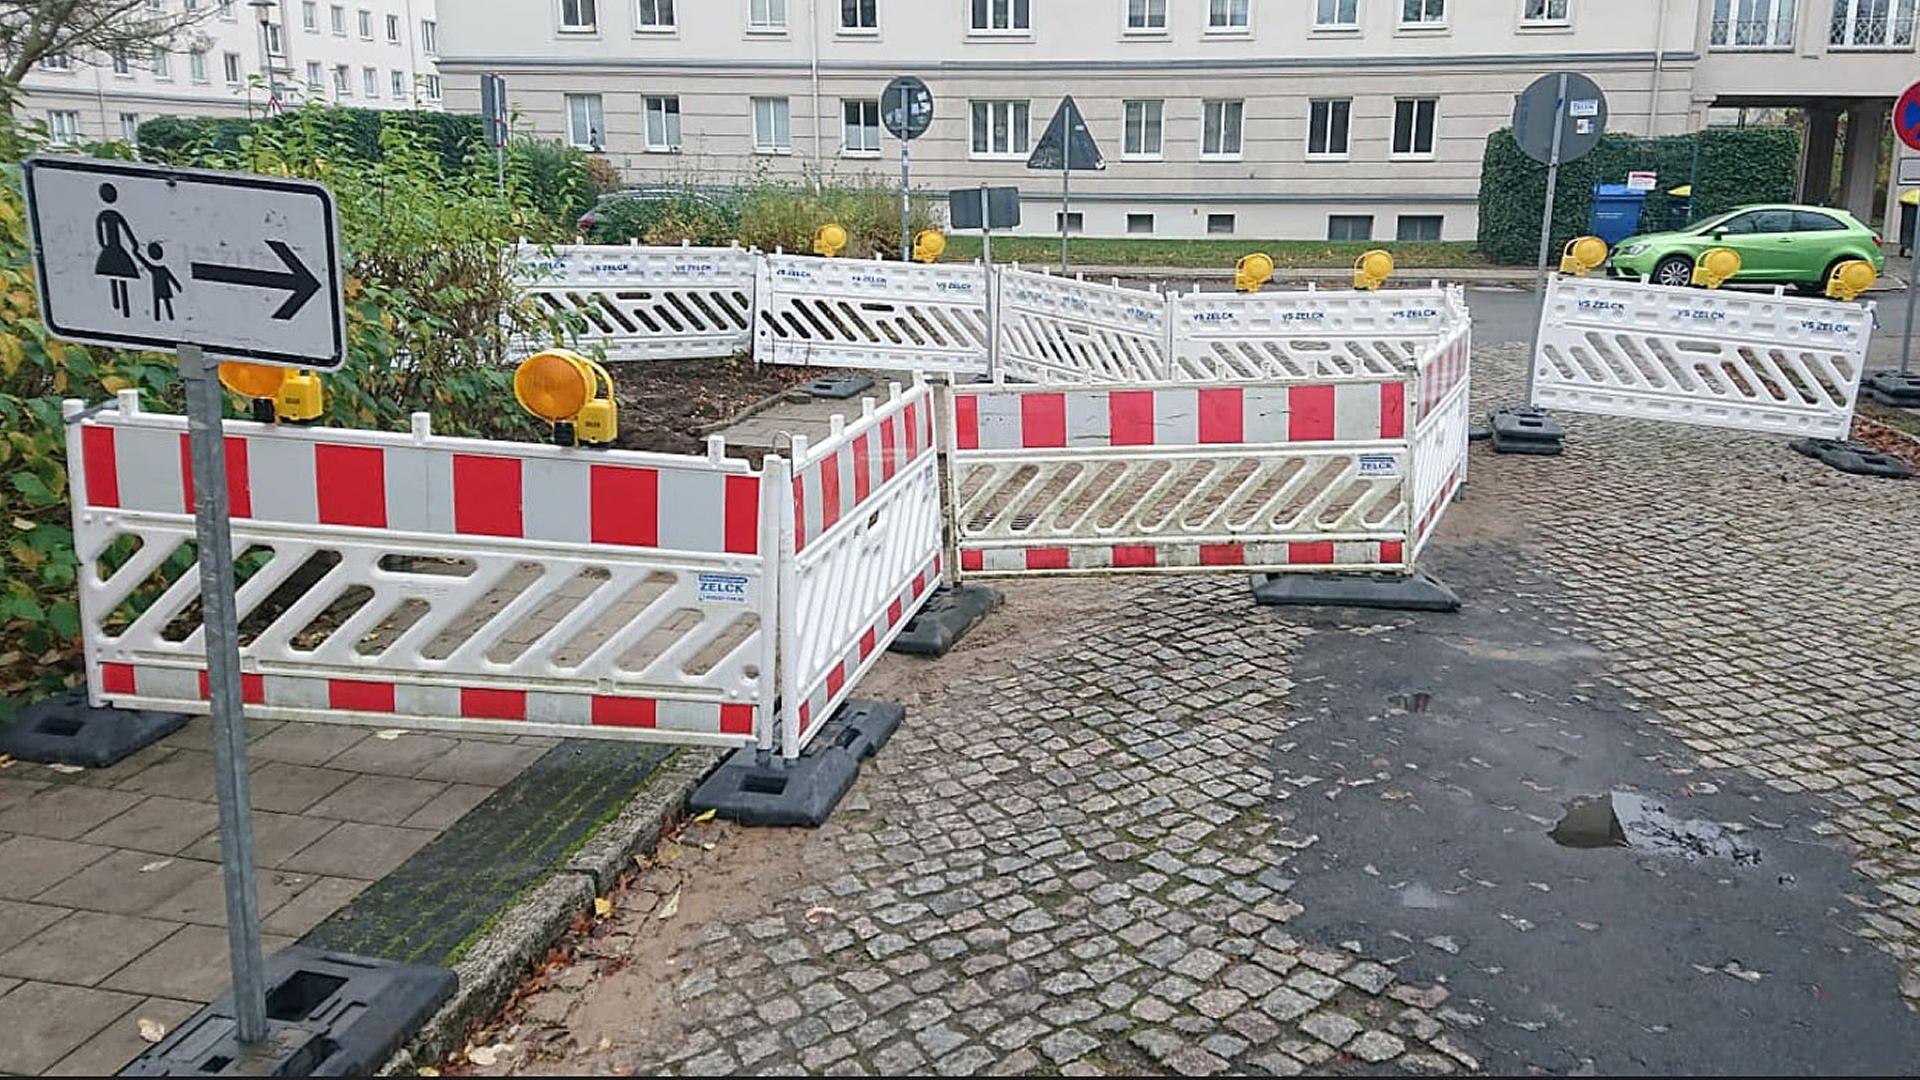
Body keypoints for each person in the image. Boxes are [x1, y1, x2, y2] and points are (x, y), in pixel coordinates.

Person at [93, 183, 141, 317]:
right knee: (113, 276)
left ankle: (123, 308)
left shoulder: (113, 215)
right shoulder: (105, 215)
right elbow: (100, 232)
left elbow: (126, 230)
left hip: (115, 248)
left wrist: (134, 244)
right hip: (113, 249)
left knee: (121, 276)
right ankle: (117, 307)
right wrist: (103, 245)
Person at [139, 241, 180, 321]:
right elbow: (145, 263)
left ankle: (169, 317)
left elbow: (171, 278)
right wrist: (137, 254)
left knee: (166, 302)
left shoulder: (162, 269)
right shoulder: (156, 269)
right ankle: (158, 318)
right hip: (158, 288)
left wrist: (178, 286)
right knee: (158, 303)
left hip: (162, 288)